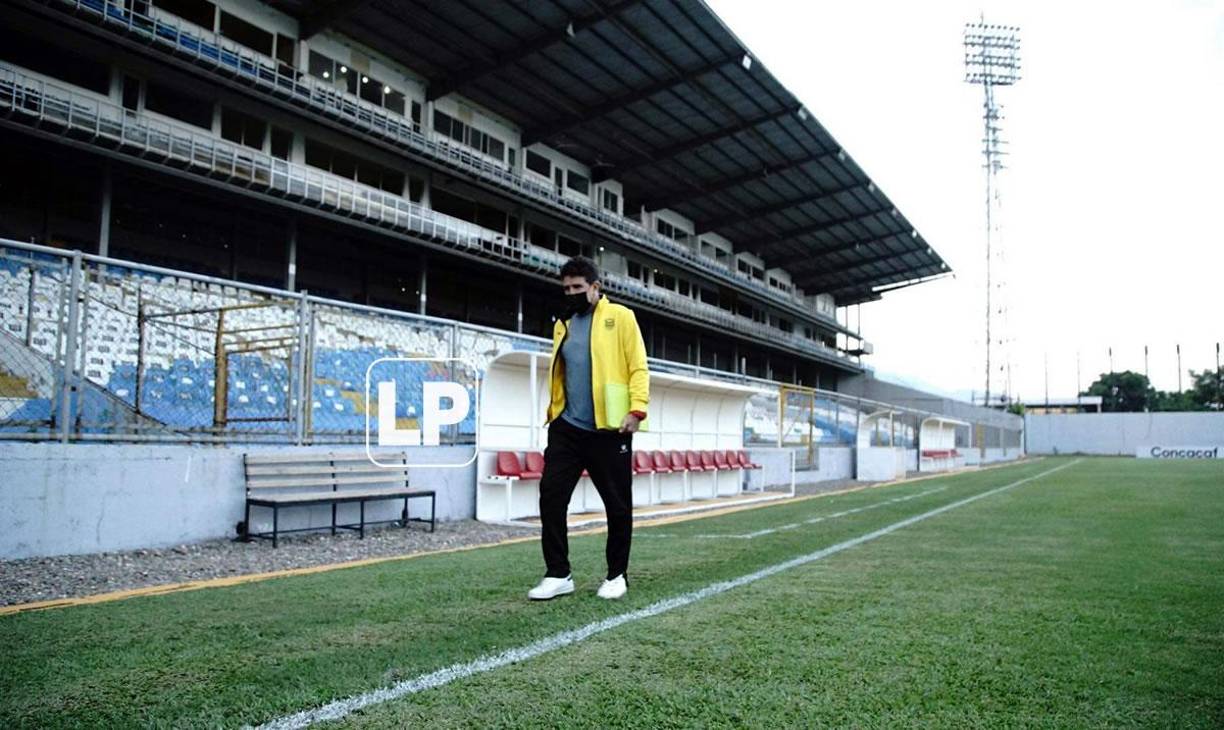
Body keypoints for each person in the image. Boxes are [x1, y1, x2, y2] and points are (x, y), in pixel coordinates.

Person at [528, 256, 649, 601]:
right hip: (566, 427)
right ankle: (558, 573)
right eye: (566, 288)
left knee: (617, 504)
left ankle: (616, 575)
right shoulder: (562, 323)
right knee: (551, 496)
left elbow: (638, 367)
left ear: (596, 287)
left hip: (610, 429)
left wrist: (637, 410)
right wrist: (555, 412)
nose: (571, 293)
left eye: (578, 288)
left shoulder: (620, 317)